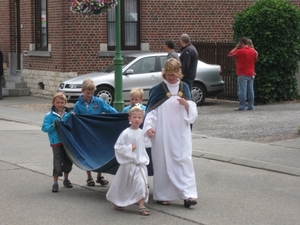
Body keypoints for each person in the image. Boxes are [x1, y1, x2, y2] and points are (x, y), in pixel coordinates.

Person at [142, 58, 198, 208]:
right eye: (168, 75)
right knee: (162, 163)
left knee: (184, 161)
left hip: (180, 134)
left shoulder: (184, 87)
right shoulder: (158, 90)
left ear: (178, 73)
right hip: (162, 134)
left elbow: (192, 113)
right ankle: (163, 195)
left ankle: (188, 195)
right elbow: (151, 112)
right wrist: (149, 128)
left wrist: (187, 104)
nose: (171, 78)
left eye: (173, 75)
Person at [106, 104, 150, 216]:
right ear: (129, 119)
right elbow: (118, 147)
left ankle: (141, 205)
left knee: (141, 184)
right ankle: (119, 201)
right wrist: (129, 148)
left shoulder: (141, 132)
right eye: (134, 117)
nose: (137, 119)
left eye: (139, 117)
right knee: (124, 185)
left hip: (140, 164)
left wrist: (151, 136)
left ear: (142, 119)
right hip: (128, 165)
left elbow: (147, 144)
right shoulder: (126, 133)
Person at [73, 78, 118, 186]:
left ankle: (99, 175)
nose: (90, 95)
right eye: (88, 93)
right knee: (87, 154)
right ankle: (89, 177)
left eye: (92, 93)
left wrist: (121, 116)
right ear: (82, 91)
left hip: (97, 132)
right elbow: (76, 119)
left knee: (98, 153)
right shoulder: (78, 105)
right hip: (85, 133)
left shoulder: (99, 102)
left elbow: (111, 111)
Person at [42, 92, 73, 193]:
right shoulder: (49, 116)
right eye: (57, 102)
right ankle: (55, 183)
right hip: (56, 142)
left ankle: (66, 179)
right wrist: (53, 126)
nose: (60, 104)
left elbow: (73, 125)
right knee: (57, 162)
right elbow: (44, 128)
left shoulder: (69, 114)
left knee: (68, 161)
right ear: (53, 103)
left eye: (62, 102)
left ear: (65, 103)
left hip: (67, 141)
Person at [228, 37, 258, 111]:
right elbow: (256, 58)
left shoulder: (240, 51)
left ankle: (242, 106)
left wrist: (236, 47)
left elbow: (230, 54)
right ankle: (251, 106)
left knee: (242, 90)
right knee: (251, 90)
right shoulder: (253, 51)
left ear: (241, 43)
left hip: (242, 73)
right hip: (251, 73)